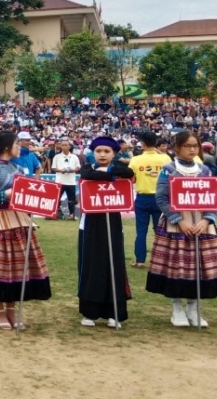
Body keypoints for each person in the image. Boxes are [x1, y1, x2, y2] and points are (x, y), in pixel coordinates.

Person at [147, 130, 217, 328]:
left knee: (199, 266)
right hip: (176, 224)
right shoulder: (168, 169)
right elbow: (161, 198)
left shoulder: (205, 171)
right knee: (176, 265)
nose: (192, 149)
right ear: (177, 147)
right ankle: (177, 308)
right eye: (188, 146)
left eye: (195, 146)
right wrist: (179, 220)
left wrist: (208, 219)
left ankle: (193, 308)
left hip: (201, 224)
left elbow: (213, 198)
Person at [0, 131, 51, 330]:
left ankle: (12, 310)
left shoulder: (19, 168)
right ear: (6, 147)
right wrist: (5, 194)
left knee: (16, 266)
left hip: (18, 220)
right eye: (17, 143)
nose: (20, 147)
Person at [76, 137, 135, 328]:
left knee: (114, 264)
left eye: (107, 151)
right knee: (91, 265)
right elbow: (88, 176)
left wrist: (108, 172)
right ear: (93, 152)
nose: (102, 154)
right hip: (91, 223)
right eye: (99, 151)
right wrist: (109, 175)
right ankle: (89, 312)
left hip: (113, 221)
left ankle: (114, 312)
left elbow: (128, 172)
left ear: (114, 153)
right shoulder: (87, 168)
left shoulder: (119, 168)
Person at [128, 132, 169, 268]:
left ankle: (140, 260)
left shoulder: (135, 160)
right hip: (161, 198)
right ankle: (162, 260)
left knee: (141, 231)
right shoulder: (165, 159)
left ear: (143, 144)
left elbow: (132, 178)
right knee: (161, 231)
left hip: (143, 198)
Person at [51, 139, 81, 220]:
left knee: (72, 200)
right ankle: (55, 214)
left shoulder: (74, 157)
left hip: (71, 181)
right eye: (62, 145)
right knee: (57, 198)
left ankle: (72, 215)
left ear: (69, 146)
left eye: (66, 145)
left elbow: (78, 167)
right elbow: (53, 168)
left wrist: (72, 170)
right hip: (59, 181)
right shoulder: (56, 157)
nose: (64, 146)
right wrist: (61, 171)